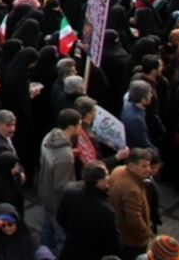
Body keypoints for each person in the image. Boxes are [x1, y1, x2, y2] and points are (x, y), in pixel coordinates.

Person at [37, 108, 81, 252]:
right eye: (79, 125)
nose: (81, 128)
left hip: (44, 190)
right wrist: (81, 185)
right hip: (57, 200)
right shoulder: (65, 155)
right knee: (62, 235)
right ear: (70, 128)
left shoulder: (48, 137)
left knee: (47, 229)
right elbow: (61, 185)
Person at [56, 162, 120, 260]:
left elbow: (60, 218)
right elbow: (112, 242)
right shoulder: (105, 211)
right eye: (107, 174)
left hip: (71, 249)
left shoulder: (69, 191)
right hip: (93, 254)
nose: (109, 177)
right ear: (99, 182)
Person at [108, 148, 154, 259]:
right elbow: (134, 218)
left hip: (118, 230)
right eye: (144, 166)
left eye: (149, 165)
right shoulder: (132, 190)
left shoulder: (118, 170)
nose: (148, 169)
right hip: (131, 239)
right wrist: (146, 232)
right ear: (131, 166)